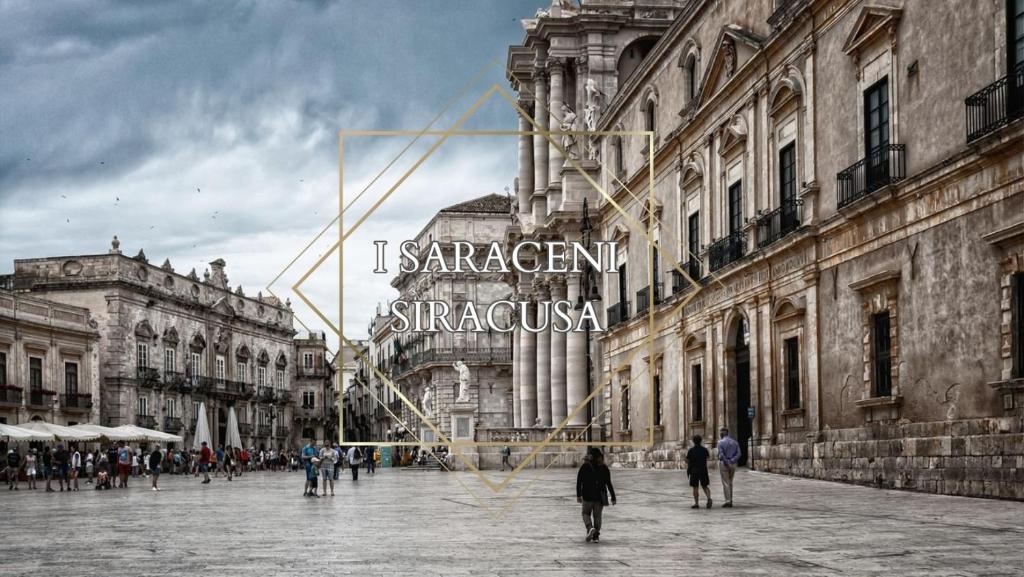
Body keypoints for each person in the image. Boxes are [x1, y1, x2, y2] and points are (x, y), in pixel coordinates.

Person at [575, 447, 616, 543]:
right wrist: (613, 497)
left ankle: (590, 528)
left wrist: (578, 495)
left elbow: (579, 482)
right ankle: (596, 537)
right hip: (599, 497)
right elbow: (609, 484)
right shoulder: (604, 467)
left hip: (587, 495)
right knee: (597, 517)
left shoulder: (585, 466)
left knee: (585, 513)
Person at [685, 435, 713, 509]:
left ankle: (696, 503)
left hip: (694, 470)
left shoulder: (691, 450)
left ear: (693, 441)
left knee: (695, 487)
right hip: (703, 469)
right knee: (705, 486)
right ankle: (709, 498)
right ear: (701, 441)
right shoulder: (704, 450)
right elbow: (708, 457)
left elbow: (687, 461)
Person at [717, 427, 741, 508]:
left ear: (722, 434)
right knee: (730, 482)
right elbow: (739, 454)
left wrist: (727, 462)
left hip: (724, 464)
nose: (720, 434)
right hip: (733, 464)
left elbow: (721, 454)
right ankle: (730, 499)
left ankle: (728, 501)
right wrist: (732, 461)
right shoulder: (735, 442)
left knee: (725, 482)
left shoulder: (720, 442)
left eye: (720, 433)